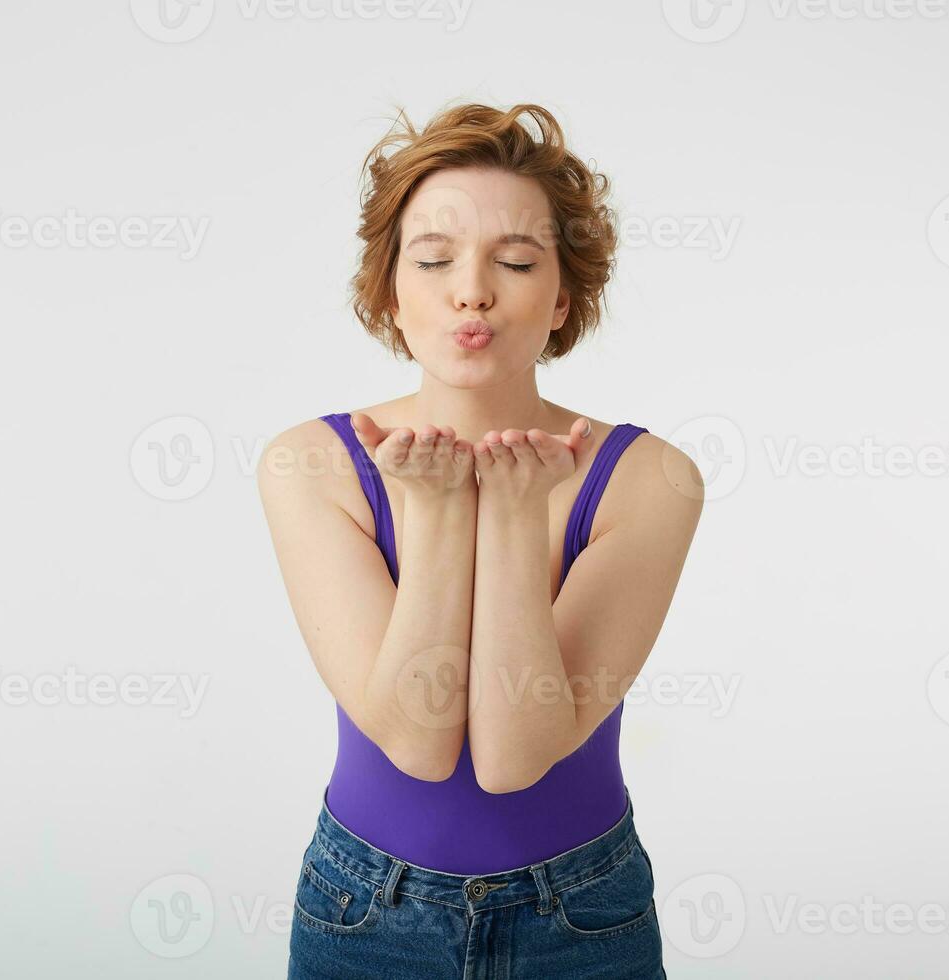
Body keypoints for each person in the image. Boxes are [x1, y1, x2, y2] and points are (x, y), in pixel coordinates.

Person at [257, 101, 703, 979]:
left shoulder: (652, 477)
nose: (471, 289)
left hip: (582, 915)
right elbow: (418, 743)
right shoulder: (311, 464)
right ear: (391, 288)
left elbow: (513, 756)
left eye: (516, 260)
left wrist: (502, 515)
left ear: (563, 295)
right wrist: (433, 517)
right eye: (433, 259)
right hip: (366, 911)